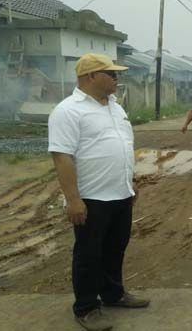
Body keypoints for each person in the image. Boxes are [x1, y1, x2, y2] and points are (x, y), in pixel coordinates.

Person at [48, 53, 149, 331]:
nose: (117, 79)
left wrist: (130, 181)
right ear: (91, 76)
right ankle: (86, 307)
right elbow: (62, 157)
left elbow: (120, 146)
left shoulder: (115, 106)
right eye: (111, 74)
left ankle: (113, 294)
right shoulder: (68, 111)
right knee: (88, 254)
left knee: (115, 248)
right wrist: (73, 200)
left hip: (121, 193)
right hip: (91, 198)